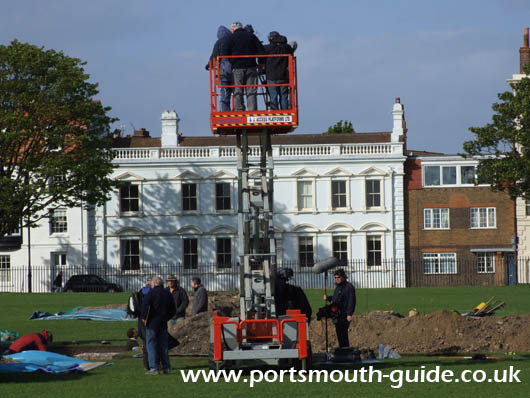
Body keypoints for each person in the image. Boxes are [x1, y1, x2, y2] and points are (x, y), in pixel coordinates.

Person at [221, 21, 265, 111]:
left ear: (233, 29)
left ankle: (239, 109)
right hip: (251, 66)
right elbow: (261, 50)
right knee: (251, 91)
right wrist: (260, 62)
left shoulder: (230, 38)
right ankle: (252, 110)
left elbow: (224, 53)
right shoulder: (251, 36)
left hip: (236, 67)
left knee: (237, 90)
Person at [141, 276, 176, 375]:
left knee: (151, 345)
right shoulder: (167, 293)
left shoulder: (150, 293)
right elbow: (173, 309)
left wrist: (144, 318)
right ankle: (166, 367)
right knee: (164, 346)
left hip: (152, 323)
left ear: (154, 284)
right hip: (163, 323)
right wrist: (166, 318)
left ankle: (154, 368)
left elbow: (144, 306)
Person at [324, 269, 356, 348]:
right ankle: (342, 350)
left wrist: (349, 314)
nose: (336, 279)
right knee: (339, 334)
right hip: (337, 315)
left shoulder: (349, 287)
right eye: (335, 277)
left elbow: (351, 301)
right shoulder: (338, 287)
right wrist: (328, 298)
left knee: (343, 334)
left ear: (343, 277)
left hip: (344, 315)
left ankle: (345, 351)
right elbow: (336, 299)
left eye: (338, 277)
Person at [264, 31, 294, 110]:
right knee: (284, 96)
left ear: (271, 38)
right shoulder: (287, 47)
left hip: (271, 76)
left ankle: (274, 112)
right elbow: (291, 56)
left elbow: (261, 57)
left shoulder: (267, 48)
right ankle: (285, 111)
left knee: (273, 96)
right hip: (283, 75)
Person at [206, 25, 233, 111]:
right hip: (234, 68)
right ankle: (238, 109)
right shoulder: (231, 40)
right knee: (237, 90)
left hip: (223, 70)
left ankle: (225, 110)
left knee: (224, 91)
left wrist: (209, 65)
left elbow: (214, 56)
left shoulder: (218, 42)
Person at [137, 277, 151, 370]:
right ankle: (156, 364)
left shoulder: (140, 292)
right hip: (150, 319)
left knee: (145, 343)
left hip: (141, 320)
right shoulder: (152, 292)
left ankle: (146, 364)